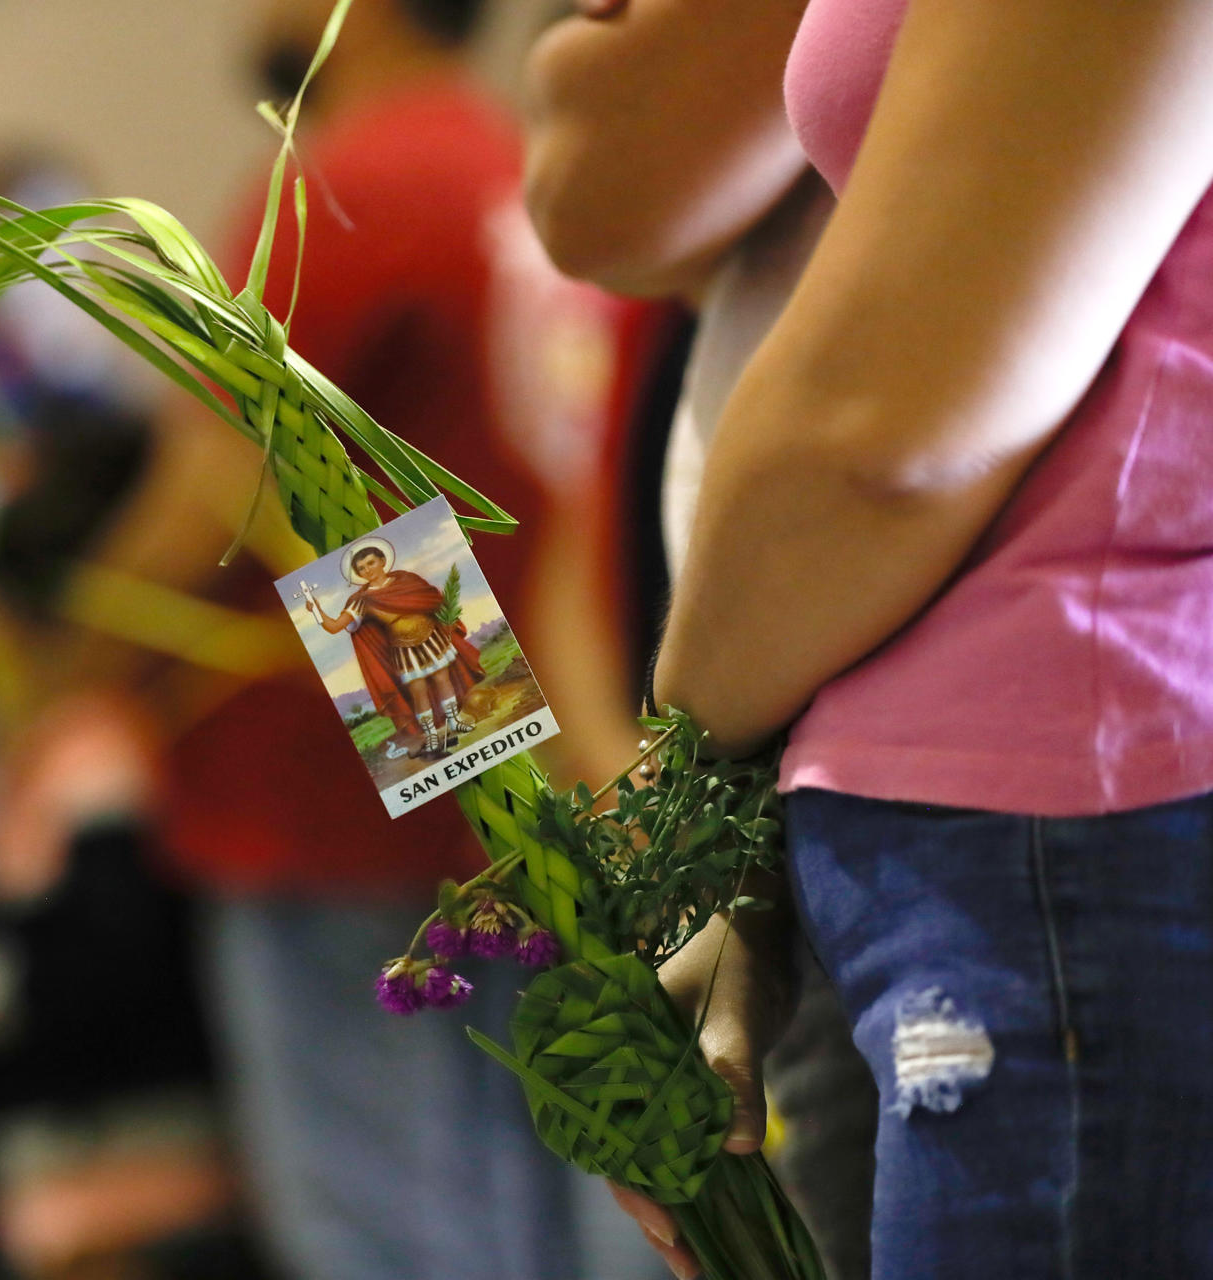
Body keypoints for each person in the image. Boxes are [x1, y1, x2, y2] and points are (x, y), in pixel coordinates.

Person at [527, 1, 1213, 1276]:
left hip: (1064, 818)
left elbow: (881, 430)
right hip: (969, 820)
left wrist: (683, 782)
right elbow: (589, 178)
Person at [70, 2, 682, 1277]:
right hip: (504, 781)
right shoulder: (517, 167)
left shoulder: (344, 180)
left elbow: (213, 492)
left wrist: (53, 661)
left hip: (338, 816)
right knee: (527, 1225)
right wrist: (492, 759)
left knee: (382, 1236)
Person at [518, 6, 877, 1278]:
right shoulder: (664, 308)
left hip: (811, 791)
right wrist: (624, 786)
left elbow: (603, 186)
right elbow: (576, 535)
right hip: (707, 796)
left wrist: (673, 793)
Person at [305, 540, 483, 756]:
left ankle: (454, 722)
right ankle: (432, 736)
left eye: (371, 563)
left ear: (382, 561)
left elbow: (431, 598)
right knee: (418, 692)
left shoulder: (406, 580)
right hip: (404, 649)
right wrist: (317, 611)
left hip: (432, 637)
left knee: (442, 679)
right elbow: (335, 627)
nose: (367, 570)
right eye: (361, 568)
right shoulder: (361, 600)